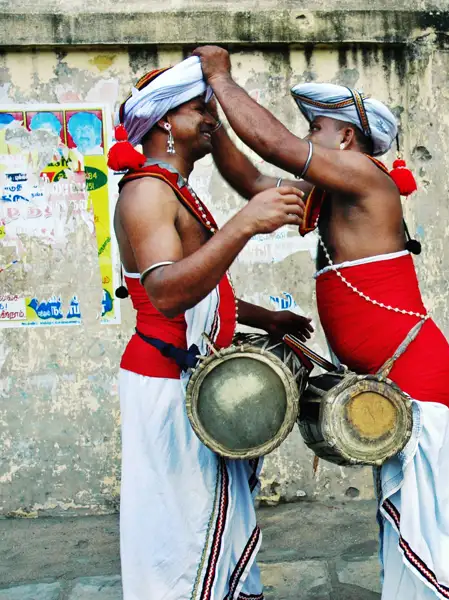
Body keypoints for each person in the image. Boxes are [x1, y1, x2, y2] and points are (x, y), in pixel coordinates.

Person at [193, 45, 449, 599]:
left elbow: (275, 144)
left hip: (415, 372)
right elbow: (253, 181)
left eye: (315, 128)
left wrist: (219, 76)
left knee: (422, 522)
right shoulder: (333, 191)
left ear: (345, 137)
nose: (307, 137)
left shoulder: (363, 174)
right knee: (401, 518)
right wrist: (214, 127)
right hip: (390, 375)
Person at [111, 56, 312, 600]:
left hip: (193, 381)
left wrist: (265, 318)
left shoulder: (172, 187)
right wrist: (245, 224)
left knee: (205, 518)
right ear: (163, 121)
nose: (210, 120)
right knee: (180, 531)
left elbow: (200, 284)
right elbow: (166, 291)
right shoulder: (146, 191)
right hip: (166, 381)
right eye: (199, 110)